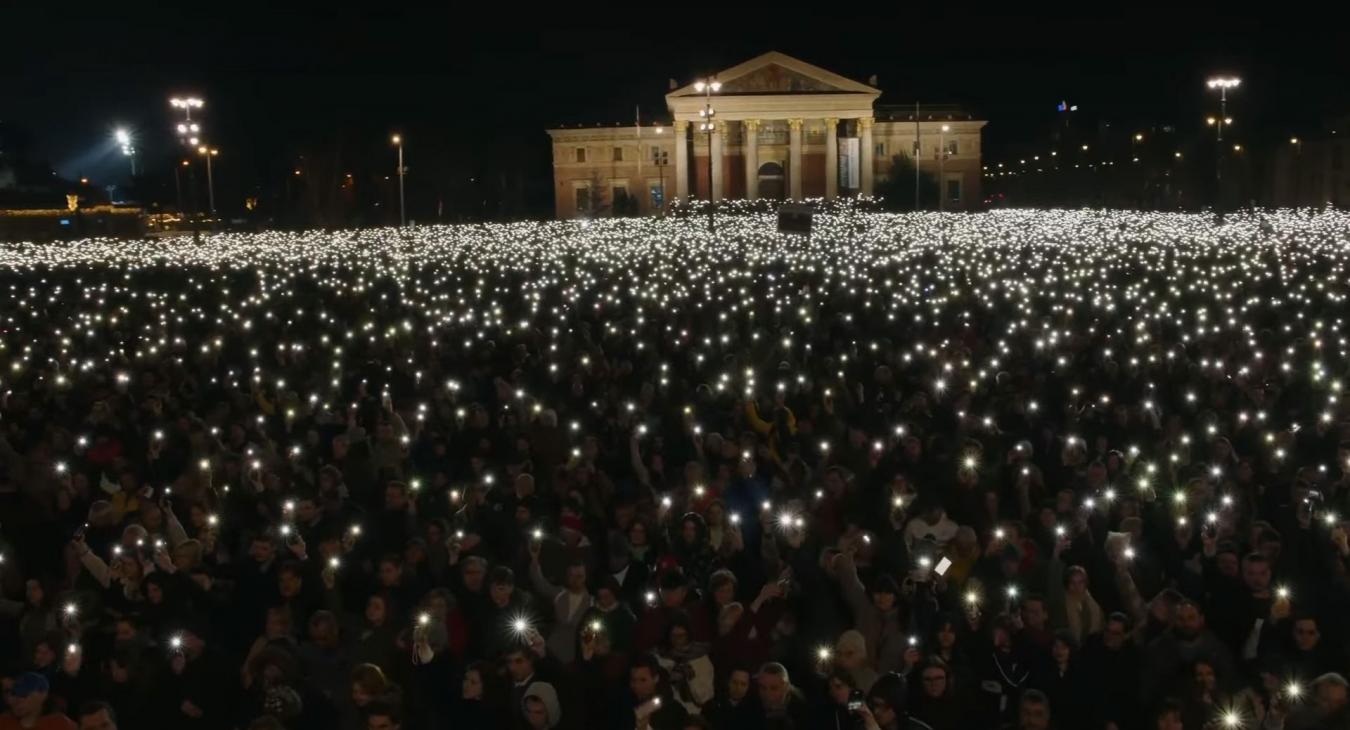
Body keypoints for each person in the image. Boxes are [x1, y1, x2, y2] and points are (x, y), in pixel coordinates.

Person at [0, 673, 76, 730]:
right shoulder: (3, 722)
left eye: (23, 695)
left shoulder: (61, 724)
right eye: (13, 695)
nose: (15, 701)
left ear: (42, 695)